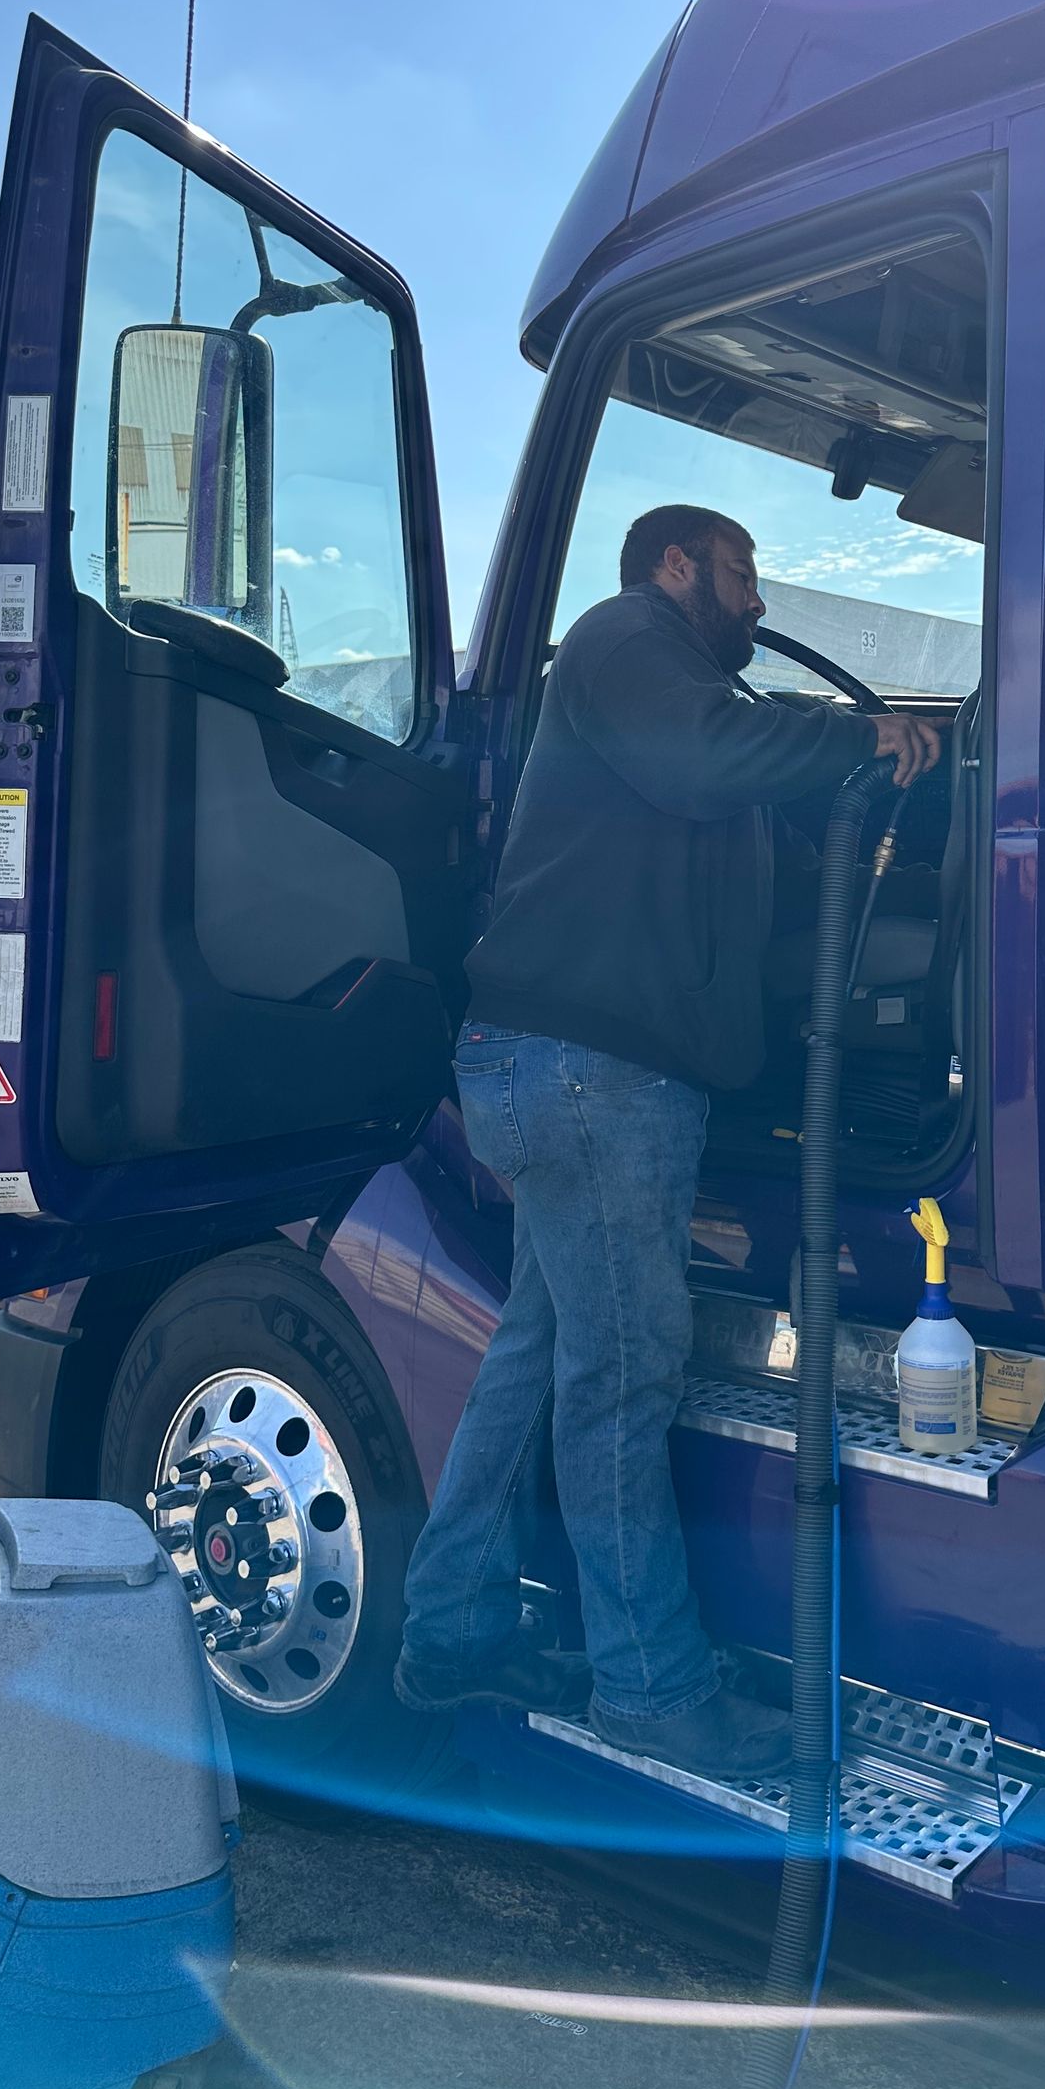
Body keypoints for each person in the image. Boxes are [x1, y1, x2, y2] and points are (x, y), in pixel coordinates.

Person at [396, 503, 942, 1778]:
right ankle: (648, 1689)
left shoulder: (676, 705)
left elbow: (727, 802)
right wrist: (860, 731)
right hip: (594, 1081)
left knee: (536, 1359)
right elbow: (710, 757)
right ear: (678, 564)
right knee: (624, 1381)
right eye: (743, 574)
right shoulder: (626, 638)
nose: (758, 604)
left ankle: (450, 1626)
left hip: (567, 1074)